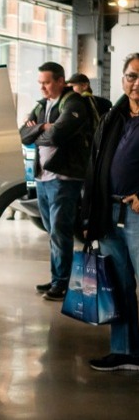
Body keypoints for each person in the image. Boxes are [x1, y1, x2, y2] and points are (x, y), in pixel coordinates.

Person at [81, 53, 139, 371]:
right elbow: (94, 167)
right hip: (108, 210)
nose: (136, 84)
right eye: (131, 76)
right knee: (118, 284)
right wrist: (88, 216)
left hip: (136, 213)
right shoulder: (113, 117)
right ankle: (125, 350)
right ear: (123, 80)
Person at [19, 62, 93, 301]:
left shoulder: (73, 103)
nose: (42, 87)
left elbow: (58, 134)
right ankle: (57, 278)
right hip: (42, 177)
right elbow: (22, 134)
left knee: (60, 232)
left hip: (64, 177)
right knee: (52, 232)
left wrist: (38, 131)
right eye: (40, 83)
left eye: (47, 82)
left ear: (61, 81)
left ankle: (61, 283)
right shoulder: (43, 105)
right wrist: (43, 126)